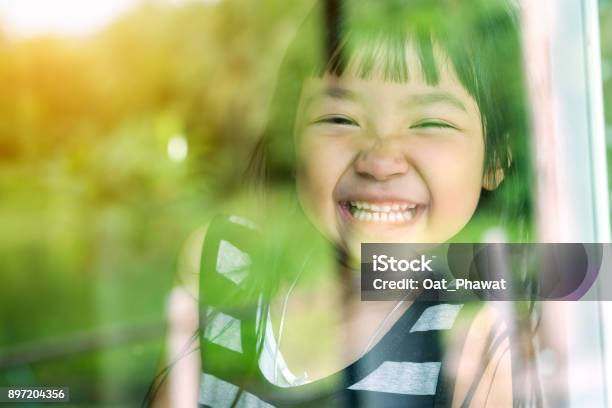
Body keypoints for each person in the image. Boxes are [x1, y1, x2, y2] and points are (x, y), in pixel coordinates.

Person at [147, 0, 537, 406]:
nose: (381, 161)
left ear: (496, 157)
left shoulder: (479, 342)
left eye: (430, 123)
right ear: (291, 134)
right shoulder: (225, 257)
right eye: (341, 119)